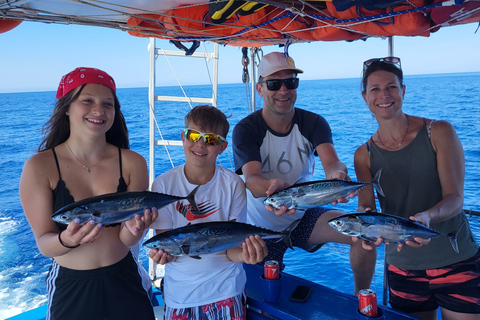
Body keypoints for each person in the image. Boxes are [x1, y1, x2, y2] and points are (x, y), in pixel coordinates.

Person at [232, 51, 376, 295]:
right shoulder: (246, 129)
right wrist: (272, 188)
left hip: (302, 216)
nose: (284, 90)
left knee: (363, 235)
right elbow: (252, 179)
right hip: (257, 227)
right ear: (259, 88)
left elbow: (333, 163)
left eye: (291, 82)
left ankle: (360, 301)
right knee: (257, 296)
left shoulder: (314, 122)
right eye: (274, 84)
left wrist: (337, 177)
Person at [19, 67, 157, 320]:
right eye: (87, 101)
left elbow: (127, 240)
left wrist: (138, 227)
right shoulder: (39, 166)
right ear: (67, 107)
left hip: (125, 277)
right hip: (72, 285)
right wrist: (67, 241)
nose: (99, 110)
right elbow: (44, 244)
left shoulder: (133, 162)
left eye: (108, 104)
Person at [354, 57, 480, 320]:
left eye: (391, 87)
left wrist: (427, 217)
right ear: (365, 96)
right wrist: (365, 235)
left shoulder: (439, 132)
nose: (384, 95)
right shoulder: (363, 154)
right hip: (402, 267)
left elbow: (455, 199)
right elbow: (366, 209)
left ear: (403, 90)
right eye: (375, 89)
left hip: (456, 261)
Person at [148, 105, 267, 320]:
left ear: (222, 147)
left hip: (226, 291)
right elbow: (165, 245)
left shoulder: (233, 185)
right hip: (180, 296)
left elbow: (232, 251)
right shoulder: (162, 185)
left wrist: (248, 256)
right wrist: (161, 257)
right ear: (183, 137)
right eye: (193, 135)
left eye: (210, 140)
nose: (200, 144)